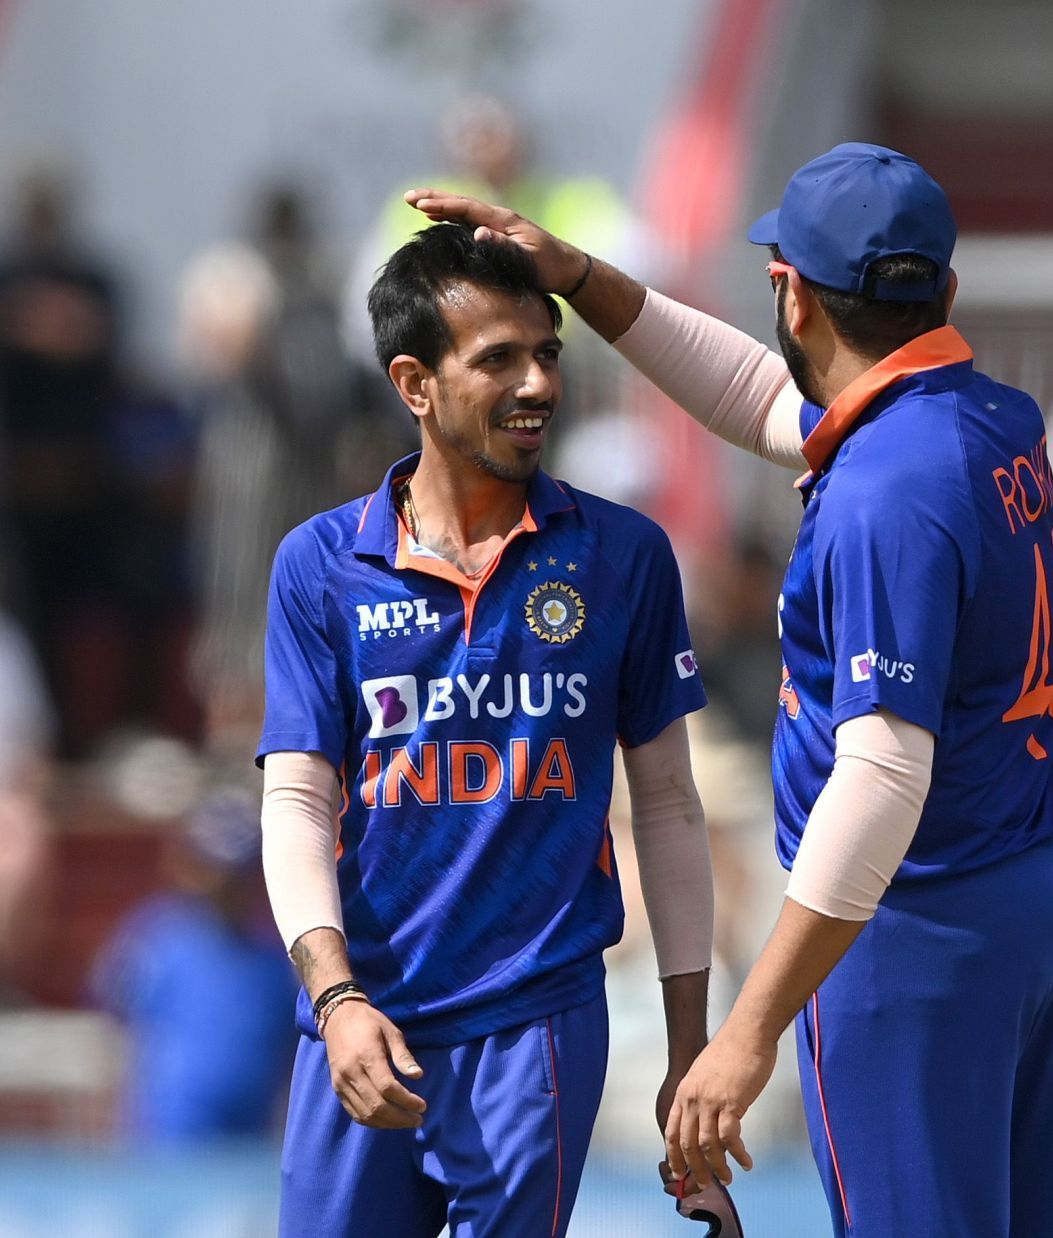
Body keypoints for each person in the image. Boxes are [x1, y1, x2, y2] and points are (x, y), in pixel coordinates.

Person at [409, 141, 1053, 1237]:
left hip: (915, 919)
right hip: (1035, 895)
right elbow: (753, 394)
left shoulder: (885, 484)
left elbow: (881, 772)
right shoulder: (986, 417)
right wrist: (580, 275)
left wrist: (750, 1025)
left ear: (792, 293)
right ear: (945, 289)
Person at [257, 223, 714, 1237]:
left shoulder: (625, 556)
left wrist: (693, 1053)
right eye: (497, 358)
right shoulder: (318, 563)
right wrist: (335, 998)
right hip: (360, 1020)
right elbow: (295, 796)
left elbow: (673, 807)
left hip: (534, 1021)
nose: (539, 384)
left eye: (547, 353)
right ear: (414, 382)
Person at [91, 791, 296, 1144]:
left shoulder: (273, 954)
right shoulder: (155, 937)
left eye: (237, 872)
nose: (225, 884)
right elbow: (112, 1016)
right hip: (172, 1129)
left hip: (251, 1135)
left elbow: (287, 1041)